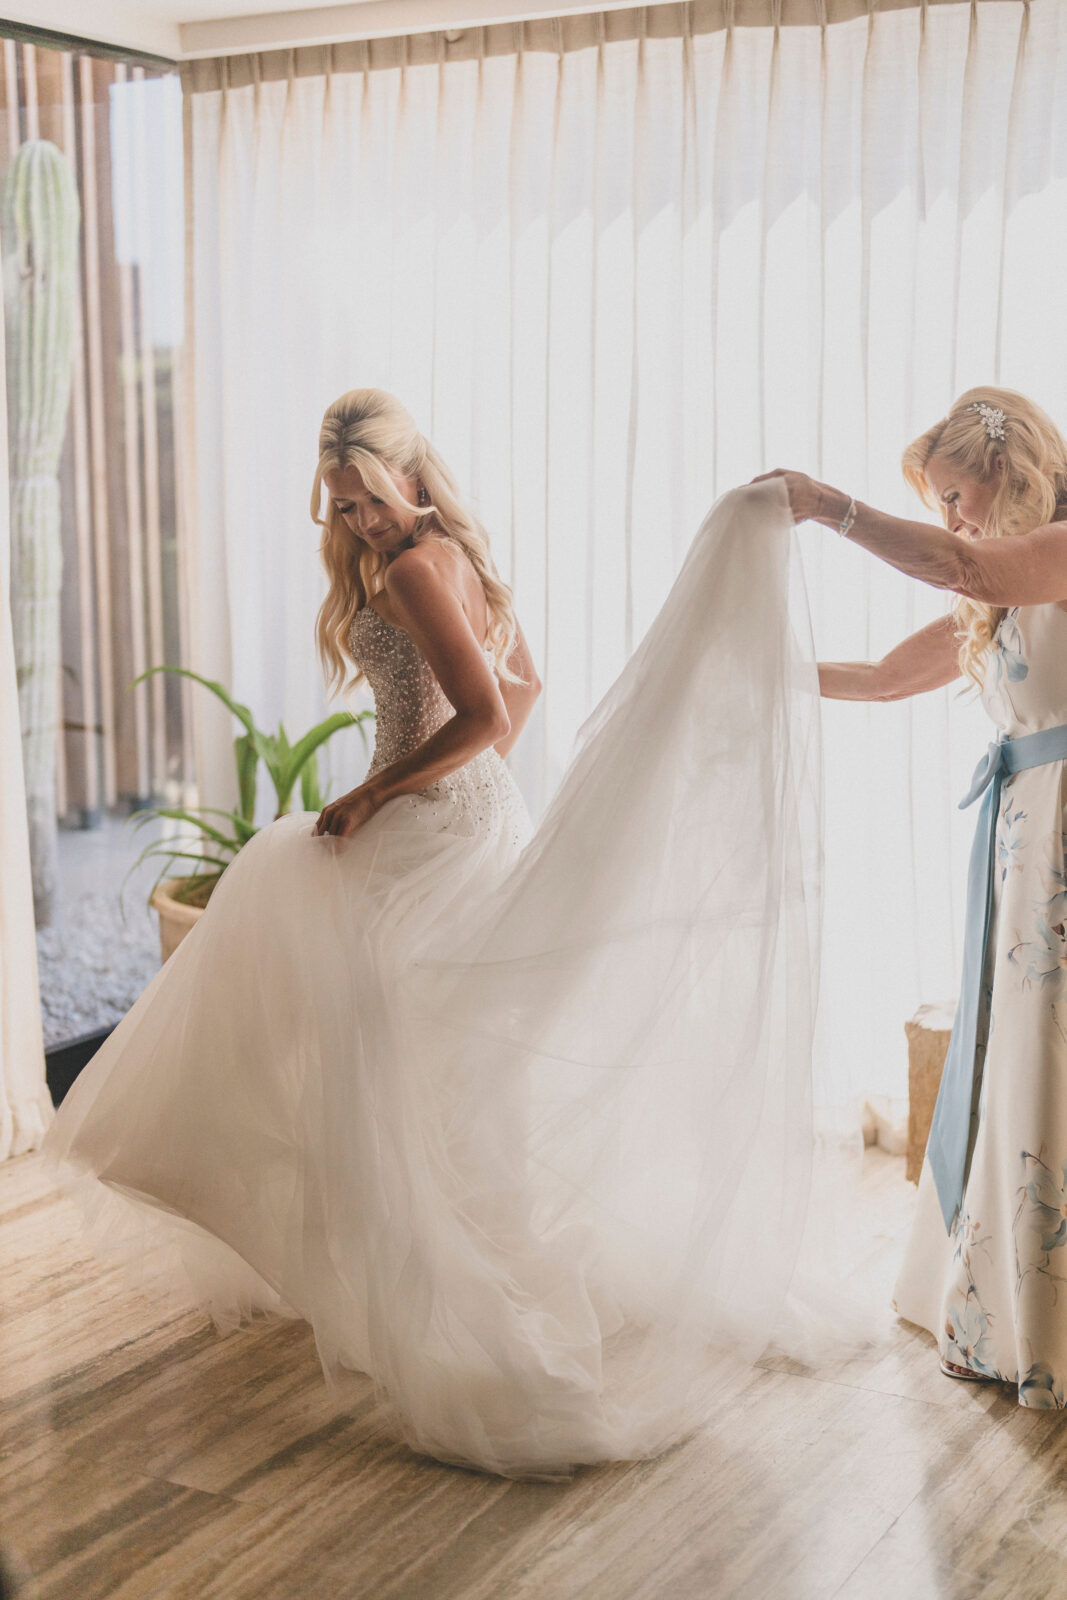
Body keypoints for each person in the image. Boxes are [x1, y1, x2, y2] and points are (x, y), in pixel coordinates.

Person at [40, 387, 829, 1479]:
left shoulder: (414, 567)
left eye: (365, 498)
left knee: (348, 998)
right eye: (341, 506)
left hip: (428, 818)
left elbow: (490, 714)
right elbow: (524, 690)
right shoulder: (455, 549)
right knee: (417, 1043)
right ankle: (399, 1249)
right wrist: (449, 788)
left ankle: (396, 1264)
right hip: (475, 813)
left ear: (407, 475)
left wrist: (375, 797)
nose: (357, 522)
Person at [758, 385, 1067, 1406]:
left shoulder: (1057, 547)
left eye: (952, 493)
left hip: (1057, 830)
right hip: (1023, 838)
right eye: (934, 502)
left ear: (1002, 463)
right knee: (1020, 1057)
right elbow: (889, 676)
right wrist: (770, 672)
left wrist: (825, 505)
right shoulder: (991, 596)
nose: (950, 519)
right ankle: (1010, 1299)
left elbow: (965, 562)